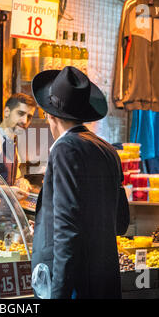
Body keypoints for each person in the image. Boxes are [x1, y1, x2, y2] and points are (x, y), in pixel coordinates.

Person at [30, 66, 130, 299]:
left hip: (74, 285)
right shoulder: (108, 151)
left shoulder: (65, 149)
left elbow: (66, 228)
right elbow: (121, 223)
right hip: (103, 281)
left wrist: (59, 294)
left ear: (50, 115)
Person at [0, 93, 37, 196]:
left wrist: (21, 182)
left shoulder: (12, 141)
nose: (25, 121)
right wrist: (6, 190)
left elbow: (13, 178)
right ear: (7, 112)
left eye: (29, 117)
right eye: (20, 113)